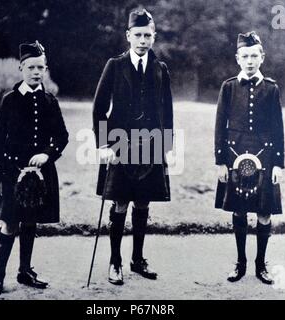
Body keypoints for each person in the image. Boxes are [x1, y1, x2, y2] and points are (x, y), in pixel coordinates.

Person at [92, 9, 173, 285]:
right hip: (120, 146)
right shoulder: (115, 66)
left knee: (143, 202)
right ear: (128, 36)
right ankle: (115, 261)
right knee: (120, 202)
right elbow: (99, 108)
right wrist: (104, 144)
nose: (142, 40)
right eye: (137, 35)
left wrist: (167, 146)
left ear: (154, 37)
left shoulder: (160, 69)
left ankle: (137, 260)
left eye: (147, 35)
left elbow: (167, 110)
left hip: (150, 146)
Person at [0, 41, 69, 296]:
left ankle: (25, 271)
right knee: (10, 223)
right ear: (21, 68)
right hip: (12, 173)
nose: (36, 72)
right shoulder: (9, 101)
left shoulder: (49, 101)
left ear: (45, 69)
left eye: (40, 67)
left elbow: (62, 136)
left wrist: (47, 154)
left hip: (40, 177)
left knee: (31, 221)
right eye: (31, 67)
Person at [214, 31, 284, 285]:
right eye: (245, 56)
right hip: (235, 157)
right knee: (239, 210)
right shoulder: (229, 87)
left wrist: (278, 163)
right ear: (237, 58)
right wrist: (220, 161)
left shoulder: (271, 88)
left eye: (255, 55)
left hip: (264, 159)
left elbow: (278, 128)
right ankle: (240, 262)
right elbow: (220, 125)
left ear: (262, 57)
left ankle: (260, 264)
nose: (250, 60)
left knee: (265, 212)